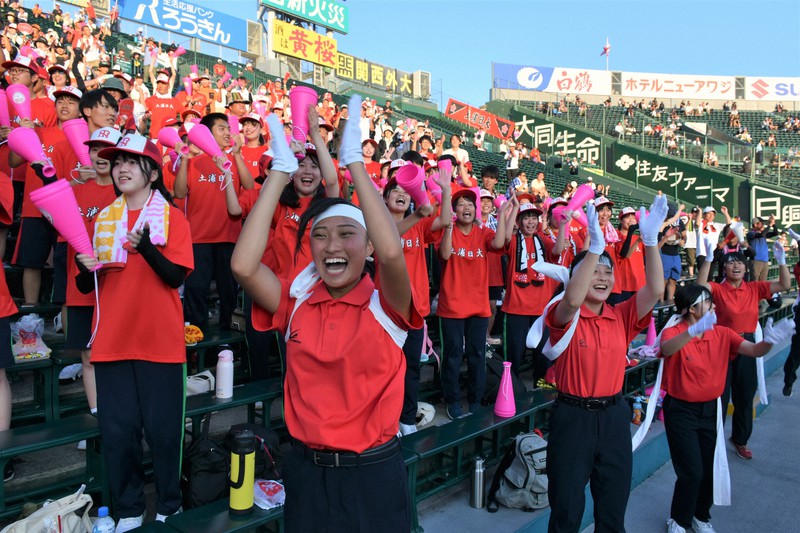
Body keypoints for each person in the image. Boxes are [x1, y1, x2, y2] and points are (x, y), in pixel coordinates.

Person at [231, 99, 420, 532]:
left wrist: (354, 163)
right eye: (320, 236)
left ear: (368, 247)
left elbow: (392, 251)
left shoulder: (385, 304)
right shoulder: (297, 302)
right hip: (307, 473)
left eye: (347, 234)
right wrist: (279, 172)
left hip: (372, 475)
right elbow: (243, 266)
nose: (332, 246)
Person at [75, 134, 193, 531]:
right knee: (118, 433)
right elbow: (86, 285)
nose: (122, 169)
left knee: (163, 434)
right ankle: (126, 508)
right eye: (117, 162)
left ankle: (169, 502)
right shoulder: (103, 218)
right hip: (111, 341)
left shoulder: (173, 218)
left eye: (132, 162)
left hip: (160, 342)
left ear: (154, 172)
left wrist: (147, 249)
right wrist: (81, 266)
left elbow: (175, 276)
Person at [542, 195, 668, 533]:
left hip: (613, 416)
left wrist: (651, 240)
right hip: (573, 419)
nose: (601, 277)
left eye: (606, 272)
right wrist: (595, 248)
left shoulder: (621, 315)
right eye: (593, 271)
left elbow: (655, 289)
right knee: (566, 513)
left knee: (612, 513)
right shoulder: (563, 315)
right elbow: (572, 299)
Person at [659, 284, 793, 533]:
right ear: (690, 308)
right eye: (707, 302)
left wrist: (771, 342)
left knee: (709, 467)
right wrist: (693, 332)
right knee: (691, 471)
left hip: (711, 409)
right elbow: (666, 349)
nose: (713, 306)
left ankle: (701, 515)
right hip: (681, 411)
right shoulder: (674, 332)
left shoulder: (722, 333)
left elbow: (753, 350)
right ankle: (678, 519)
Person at [695, 226, 791, 461]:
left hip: (747, 344)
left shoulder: (754, 288)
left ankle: (740, 439)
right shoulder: (717, 289)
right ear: (724, 268)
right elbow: (698, 288)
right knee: (720, 395)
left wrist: (781, 260)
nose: (737, 266)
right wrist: (708, 259)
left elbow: (784, 285)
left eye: (740, 262)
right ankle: (713, 439)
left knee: (745, 396)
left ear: (746, 268)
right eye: (731, 263)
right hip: (721, 346)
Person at [383, 167, 451, 434]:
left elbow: (443, 220)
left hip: (414, 311)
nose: (400, 194)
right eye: (395, 191)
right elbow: (387, 239)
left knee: (410, 369)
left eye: (405, 191)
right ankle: (386, 420)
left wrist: (445, 192)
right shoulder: (377, 222)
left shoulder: (420, 225)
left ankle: (407, 418)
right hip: (385, 312)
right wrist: (416, 214)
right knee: (385, 370)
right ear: (385, 196)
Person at [438, 188, 508, 418]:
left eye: (470, 204)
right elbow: (445, 255)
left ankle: (476, 399)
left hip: (478, 306)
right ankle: (453, 399)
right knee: (453, 354)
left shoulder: (482, 232)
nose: (466, 208)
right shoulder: (449, 231)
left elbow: (499, 243)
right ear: (454, 211)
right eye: (461, 204)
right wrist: (448, 228)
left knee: (478, 353)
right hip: (452, 305)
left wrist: (505, 213)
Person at [746, 216, 778, 281]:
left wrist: (773, 224)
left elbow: (775, 233)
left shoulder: (763, 233)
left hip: (765, 260)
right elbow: (761, 235)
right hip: (755, 260)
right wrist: (769, 225)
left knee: (763, 282)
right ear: (755, 224)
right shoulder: (751, 233)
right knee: (755, 281)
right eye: (761, 223)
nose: (763, 225)